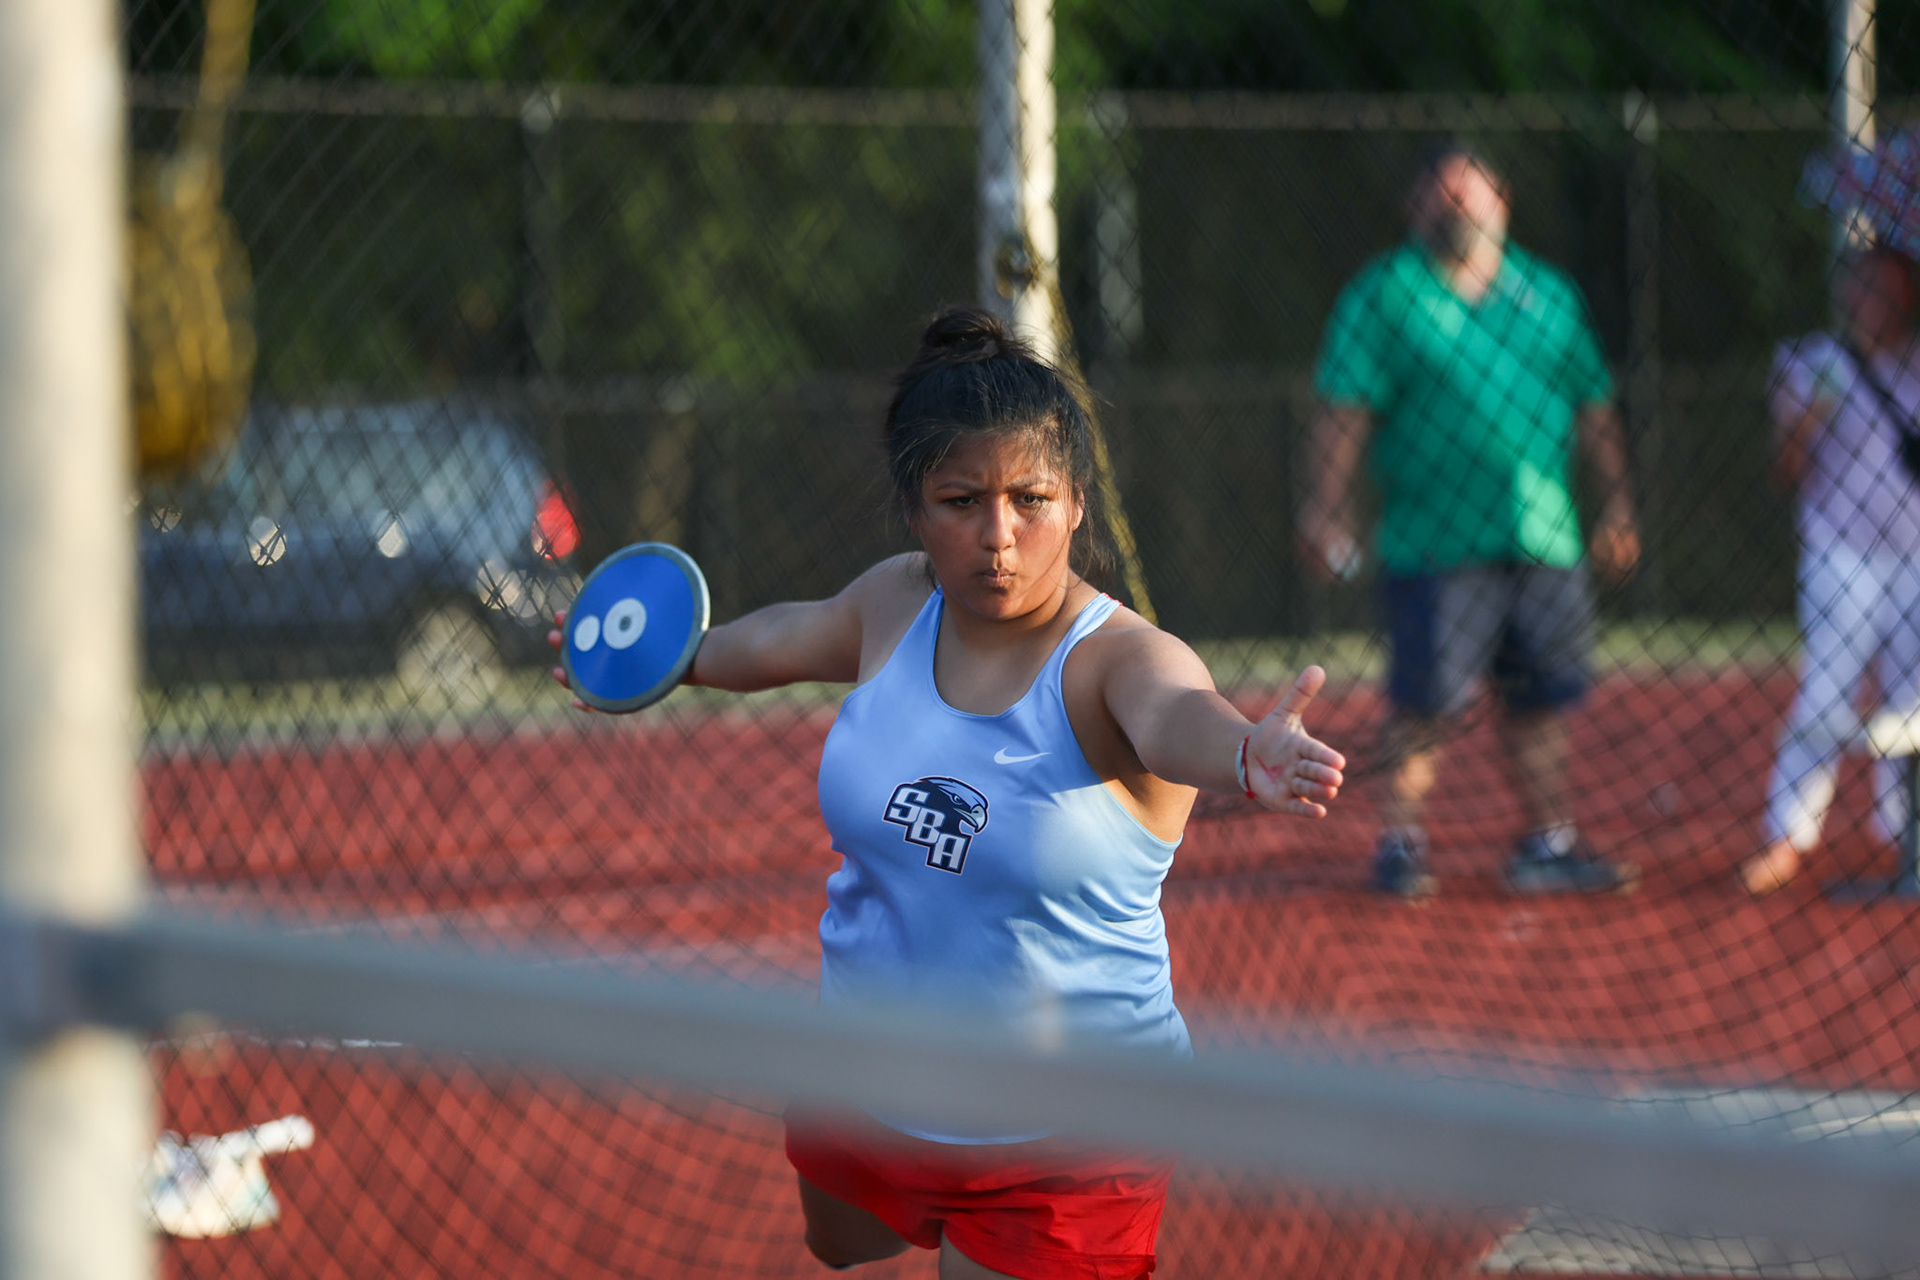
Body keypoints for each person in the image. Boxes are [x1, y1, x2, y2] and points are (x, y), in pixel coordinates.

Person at [553, 307, 1347, 1280]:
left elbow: (1181, 712)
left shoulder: (1120, 662)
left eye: (1032, 498)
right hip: (863, 1077)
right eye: (963, 499)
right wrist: (660, 659)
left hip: (1068, 1134)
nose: (1000, 535)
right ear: (913, 508)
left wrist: (1245, 752)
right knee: (841, 1241)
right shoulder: (895, 601)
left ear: (1079, 503)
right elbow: (785, 635)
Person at [1297, 143, 1641, 902]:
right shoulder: (1388, 294)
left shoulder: (1546, 293)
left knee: (1539, 698)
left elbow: (1593, 406)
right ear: (1415, 208)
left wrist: (1617, 504)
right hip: (1433, 542)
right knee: (1424, 703)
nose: (1455, 207)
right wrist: (1325, 508)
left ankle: (1548, 841)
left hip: (1542, 534)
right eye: (1440, 195)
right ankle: (1401, 843)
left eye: (1469, 194)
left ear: (1502, 201)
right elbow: (1344, 413)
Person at [1740, 246, 1920, 895]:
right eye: (1864, 285)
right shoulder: (1814, 362)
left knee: (1914, 700)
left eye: (1889, 288)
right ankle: (1788, 833)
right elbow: (1783, 473)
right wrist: (1805, 422)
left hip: (1916, 555)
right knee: (1827, 688)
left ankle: (1906, 835)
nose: (1874, 299)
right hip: (1841, 553)